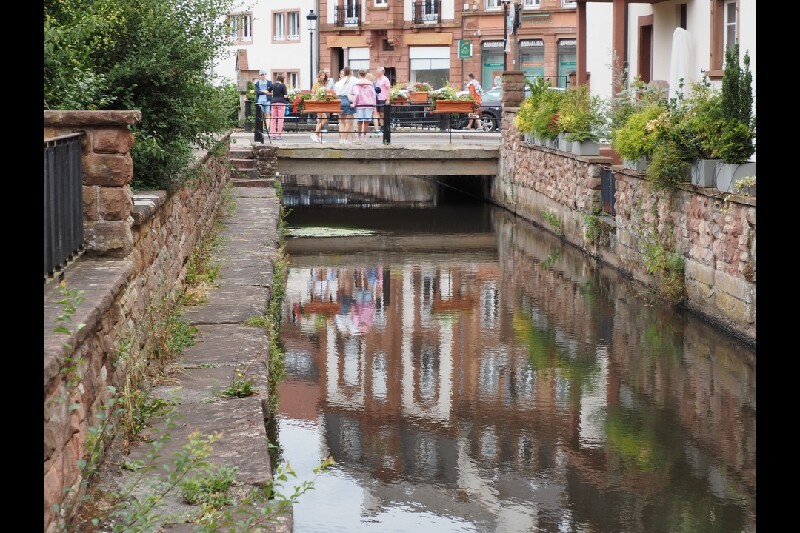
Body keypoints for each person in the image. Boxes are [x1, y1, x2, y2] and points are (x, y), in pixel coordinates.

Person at [351, 69, 377, 144]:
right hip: (369, 104)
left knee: (359, 121)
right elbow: (373, 96)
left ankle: (359, 137)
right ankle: (364, 137)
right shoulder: (370, 84)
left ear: (359, 74)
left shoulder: (356, 84)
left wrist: (354, 103)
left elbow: (356, 94)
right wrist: (374, 106)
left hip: (360, 104)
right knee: (366, 121)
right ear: (366, 74)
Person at [333, 67, 358, 144]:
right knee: (348, 122)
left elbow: (335, 92)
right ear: (350, 72)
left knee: (341, 122)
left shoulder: (339, 82)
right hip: (348, 99)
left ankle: (341, 139)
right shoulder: (353, 79)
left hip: (340, 100)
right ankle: (345, 139)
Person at [310, 71, 332, 143]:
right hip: (318, 103)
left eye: (323, 76)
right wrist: (315, 97)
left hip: (323, 103)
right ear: (319, 77)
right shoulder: (316, 83)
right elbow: (312, 92)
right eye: (321, 76)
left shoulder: (323, 83)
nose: (323, 77)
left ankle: (318, 137)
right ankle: (315, 134)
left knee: (319, 120)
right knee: (324, 120)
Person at [269, 74, 289, 140]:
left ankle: (273, 134)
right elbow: (285, 96)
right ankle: (279, 135)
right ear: (282, 80)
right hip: (281, 103)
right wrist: (288, 98)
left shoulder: (273, 85)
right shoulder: (283, 85)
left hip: (273, 102)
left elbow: (268, 91)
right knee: (280, 119)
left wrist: (272, 94)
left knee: (273, 118)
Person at [373, 67, 391, 133]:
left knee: (382, 113)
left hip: (383, 98)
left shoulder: (385, 79)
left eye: (377, 71)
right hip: (378, 98)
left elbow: (388, 89)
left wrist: (388, 99)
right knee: (379, 113)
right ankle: (382, 126)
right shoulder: (378, 79)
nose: (376, 72)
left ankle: (385, 127)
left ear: (381, 72)